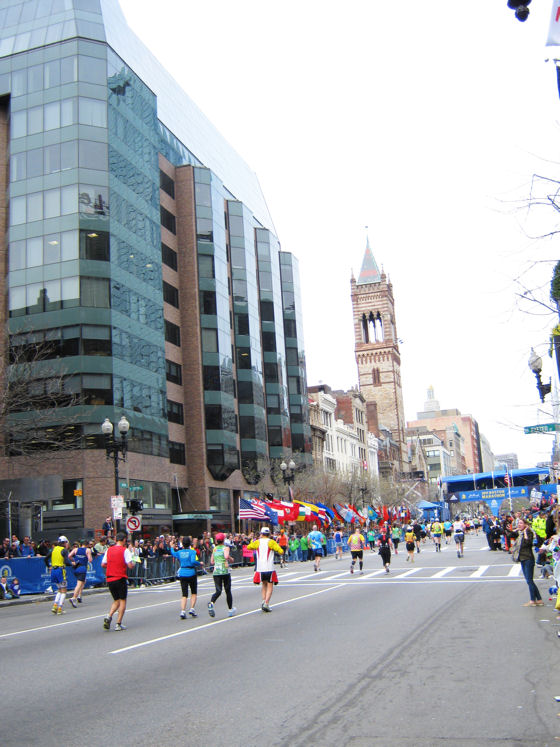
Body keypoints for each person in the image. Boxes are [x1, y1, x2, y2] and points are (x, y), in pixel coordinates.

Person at [101, 531, 135, 631]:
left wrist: (112, 565)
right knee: (122, 600)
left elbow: (103, 564)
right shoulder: (125, 550)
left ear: (116, 540)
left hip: (110, 578)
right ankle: (118, 623)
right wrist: (133, 564)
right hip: (120, 577)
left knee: (116, 600)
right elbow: (129, 565)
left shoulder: (109, 550)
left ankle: (109, 615)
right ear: (124, 540)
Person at [247, 527, 283, 612]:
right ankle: (266, 603)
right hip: (269, 567)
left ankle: (263, 601)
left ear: (261, 534)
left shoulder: (257, 542)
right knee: (270, 586)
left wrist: (252, 541)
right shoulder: (271, 542)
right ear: (269, 534)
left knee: (264, 585)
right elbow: (280, 551)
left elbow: (249, 547)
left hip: (260, 568)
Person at [514, 517, 543, 606]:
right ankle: (539, 599)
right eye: (518, 523)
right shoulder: (520, 533)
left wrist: (526, 532)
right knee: (529, 580)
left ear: (526, 525)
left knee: (529, 580)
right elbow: (510, 536)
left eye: (521, 523)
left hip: (528, 558)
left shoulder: (529, 533)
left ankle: (532, 600)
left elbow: (527, 543)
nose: (519, 525)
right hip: (522, 558)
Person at [171, 536, 201, 619]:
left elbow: (173, 553)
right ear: (190, 544)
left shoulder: (180, 552)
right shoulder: (192, 552)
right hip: (191, 572)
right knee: (194, 592)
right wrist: (199, 563)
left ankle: (183, 611)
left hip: (183, 573)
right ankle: (192, 608)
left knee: (184, 594)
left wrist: (171, 547)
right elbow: (193, 561)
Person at [208, 533, 236, 618]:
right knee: (228, 590)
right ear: (223, 540)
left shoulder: (215, 549)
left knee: (218, 590)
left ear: (216, 540)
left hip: (216, 572)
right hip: (225, 570)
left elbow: (212, 561)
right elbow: (226, 556)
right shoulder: (225, 548)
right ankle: (230, 609)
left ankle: (211, 603)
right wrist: (231, 559)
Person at [48, 536, 72, 614]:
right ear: (64, 543)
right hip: (60, 570)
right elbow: (67, 562)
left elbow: (45, 558)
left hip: (53, 570)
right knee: (64, 590)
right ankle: (60, 608)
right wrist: (73, 563)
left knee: (59, 589)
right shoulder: (64, 550)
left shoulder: (53, 549)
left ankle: (55, 605)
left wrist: (49, 566)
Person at [69, 539, 92, 607]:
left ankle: (79, 595)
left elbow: (69, 556)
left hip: (76, 567)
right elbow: (90, 560)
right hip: (82, 568)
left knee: (83, 581)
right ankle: (74, 597)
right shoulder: (88, 550)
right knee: (79, 584)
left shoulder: (76, 549)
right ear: (87, 545)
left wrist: (74, 560)